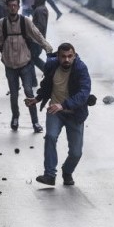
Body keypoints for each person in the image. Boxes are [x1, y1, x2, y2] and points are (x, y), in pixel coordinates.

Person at [26, 43, 91, 187]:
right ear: (58, 56)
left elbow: (83, 93)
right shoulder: (51, 66)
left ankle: (67, 171)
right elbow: (46, 85)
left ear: (74, 56)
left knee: (76, 153)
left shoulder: (81, 69)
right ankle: (49, 175)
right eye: (63, 56)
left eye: (69, 56)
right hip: (55, 111)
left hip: (75, 114)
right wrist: (37, 98)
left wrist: (64, 105)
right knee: (50, 137)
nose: (66, 60)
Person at [0, 0, 53, 133]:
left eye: (15, 5)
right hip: (10, 65)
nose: (13, 8)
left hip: (25, 63)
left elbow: (37, 35)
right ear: (7, 7)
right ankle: (15, 118)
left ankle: (35, 122)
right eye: (10, 5)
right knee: (13, 94)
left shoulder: (25, 22)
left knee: (29, 92)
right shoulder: (2, 23)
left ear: (18, 7)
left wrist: (48, 48)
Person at [30, 0, 49, 87]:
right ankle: (48, 73)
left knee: (31, 59)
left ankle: (34, 81)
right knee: (33, 59)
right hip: (38, 40)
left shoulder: (40, 10)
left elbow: (41, 25)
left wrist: (30, 29)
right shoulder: (40, 8)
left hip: (36, 40)